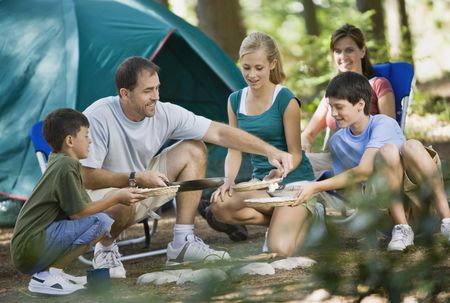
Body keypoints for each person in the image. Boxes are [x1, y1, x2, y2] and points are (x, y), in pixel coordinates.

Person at [80, 56, 294, 276]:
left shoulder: (163, 113)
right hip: (100, 201)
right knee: (123, 198)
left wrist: (269, 150)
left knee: (194, 148)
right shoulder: (98, 116)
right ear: (125, 94)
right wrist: (135, 177)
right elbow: (85, 177)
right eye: (147, 91)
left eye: (157, 88)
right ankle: (104, 248)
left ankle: (182, 242)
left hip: (142, 184)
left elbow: (219, 133)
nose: (156, 97)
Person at [294, 71, 450, 252]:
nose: (334, 114)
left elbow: (364, 169)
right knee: (388, 153)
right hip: (386, 213)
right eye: (331, 107)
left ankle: (446, 219)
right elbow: (352, 187)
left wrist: (315, 187)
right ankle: (402, 228)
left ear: (360, 104)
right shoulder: (337, 142)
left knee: (410, 146)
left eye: (339, 107)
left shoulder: (383, 123)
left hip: (420, 204)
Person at [206, 32, 320, 257]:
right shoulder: (235, 100)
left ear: (272, 64)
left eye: (259, 68)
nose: (252, 74)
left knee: (279, 251)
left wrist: (281, 170)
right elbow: (234, 149)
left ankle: (310, 214)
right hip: (262, 186)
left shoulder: (285, 100)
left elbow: (296, 154)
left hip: (294, 183)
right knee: (220, 206)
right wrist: (228, 181)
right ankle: (283, 219)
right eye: (246, 67)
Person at [10, 109, 146, 295]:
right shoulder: (66, 166)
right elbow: (79, 214)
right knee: (102, 221)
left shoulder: (60, 161)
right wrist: (115, 197)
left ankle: (54, 272)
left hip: (28, 247)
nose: (90, 141)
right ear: (70, 141)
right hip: (29, 248)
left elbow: (77, 211)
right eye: (86, 135)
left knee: (100, 221)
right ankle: (45, 276)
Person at [301, 24, 396, 177]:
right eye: (337, 51)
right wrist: (304, 141)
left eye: (349, 50)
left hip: (370, 160)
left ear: (362, 51)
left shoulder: (378, 85)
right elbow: (308, 133)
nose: (342, 56)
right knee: (294, 164)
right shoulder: (333, 94)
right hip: (337, 160)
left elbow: (389, 131)